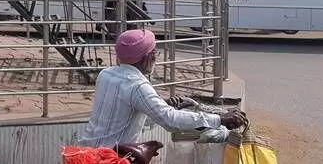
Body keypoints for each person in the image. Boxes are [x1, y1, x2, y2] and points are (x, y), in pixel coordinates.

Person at [77, 28, 246, 149]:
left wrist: (160, 103)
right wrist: (219, 119)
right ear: (147, 58)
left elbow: (123, 112)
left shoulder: (106, 74)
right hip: (111, 158)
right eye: (155, 53)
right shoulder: (138, 85)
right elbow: (170, 120)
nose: (156, 58)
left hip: (86, 152)